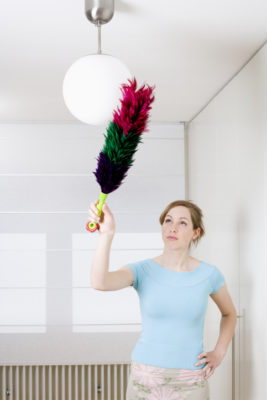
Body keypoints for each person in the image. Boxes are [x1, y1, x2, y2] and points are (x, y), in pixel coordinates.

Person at [89, 199, 237, 400]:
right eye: (168, 221)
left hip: (191, 379)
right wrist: (106, 235)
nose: (173, 228)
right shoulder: (141, 270)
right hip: (145, 377)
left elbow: (229, 314)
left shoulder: (210, 275)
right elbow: (100, 282)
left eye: (182, 223)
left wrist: (219, 352)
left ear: (196, 233)